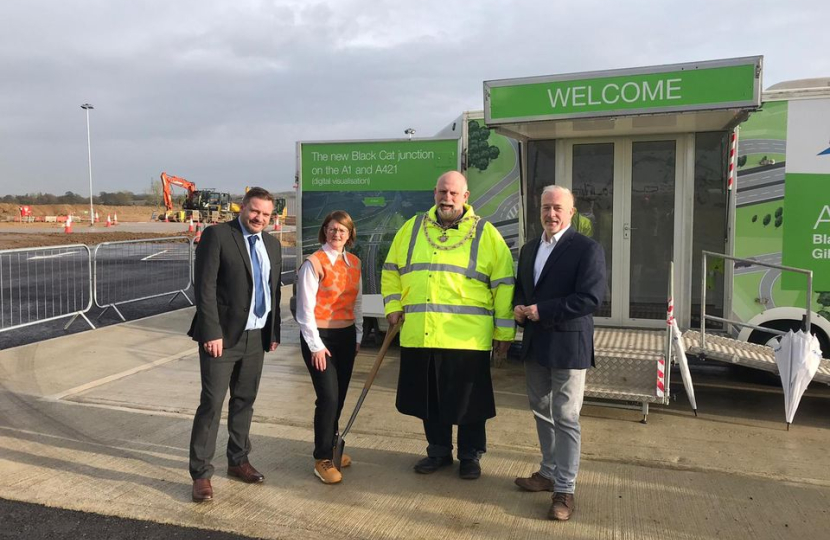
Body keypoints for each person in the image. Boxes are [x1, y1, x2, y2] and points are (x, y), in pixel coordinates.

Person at [381, 170, 515, 480]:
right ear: (435, 193)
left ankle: (470, 456)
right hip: (421, 334)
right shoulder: (412, 229)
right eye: (443, 192)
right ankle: (438, 451)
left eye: (454, 193)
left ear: (466, 197)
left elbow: (504, 284)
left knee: (470, 404)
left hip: (467, 338)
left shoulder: (486, 234)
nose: (448, 198)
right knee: (430, 401)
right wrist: (392, 306)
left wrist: (504, 333)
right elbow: (391, 270)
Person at [512, 185, 606, 521]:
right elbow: (522, 287)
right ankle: (548, 471)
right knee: (540, 409)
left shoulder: (586, 249)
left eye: (557, 208)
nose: (550, 214)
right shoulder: (528, 249)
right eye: (545, 207)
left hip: (569, 345)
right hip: (537, 343)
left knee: (566, 417)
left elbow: (591, 298)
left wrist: (542, 310)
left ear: (571, 212)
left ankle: (564, 490)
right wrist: (519, 308)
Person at [187, 187, 281, 503]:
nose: (260, 218)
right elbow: (205, 288)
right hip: (222, 338)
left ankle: (238, 460)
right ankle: (201, 474)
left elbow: (274, 293)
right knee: (212, 403)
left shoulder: (272, 244)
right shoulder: (218, 236)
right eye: (255, 211)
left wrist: (273, 332)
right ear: (243, 208)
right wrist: (211, 332)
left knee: (244, 400)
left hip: (256, 336)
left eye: (266, 214)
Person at [295, 210, 363, 484]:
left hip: (345, 336)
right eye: (332, 229)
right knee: (328, 397)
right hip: (319, 337)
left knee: (340, 396)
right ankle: (322, 457)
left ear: (349, 235)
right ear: (325, 231)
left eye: (342, 230)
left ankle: (333, 449)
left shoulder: (354, 263)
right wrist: (315, 346)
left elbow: (357, 301)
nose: (337, 234)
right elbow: (304, 310)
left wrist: (358, 335)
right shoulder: (314, 262)